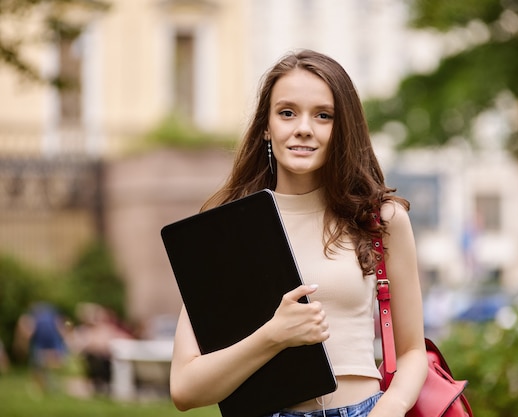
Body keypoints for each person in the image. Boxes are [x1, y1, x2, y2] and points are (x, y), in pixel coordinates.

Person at [169, 49, 428, 417]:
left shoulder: (379, 220)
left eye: (323, 115)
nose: (303, 127)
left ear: (342, 128)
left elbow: (413, 352)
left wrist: (390, 409)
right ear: (266, 126)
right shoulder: (225, 229)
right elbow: (184, 388)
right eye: (287, 112)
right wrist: (273, 336)